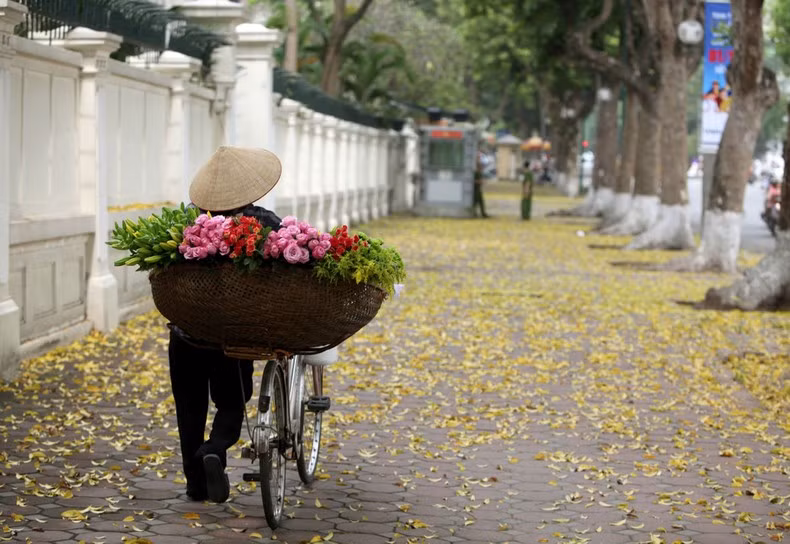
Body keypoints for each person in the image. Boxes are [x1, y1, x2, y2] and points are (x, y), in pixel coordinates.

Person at [169, 146, 282, 503]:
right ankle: (215, 449)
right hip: (231, 335)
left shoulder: (184, 225)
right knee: (233, 401)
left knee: (189, 409)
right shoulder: (263, 222)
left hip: (185, 331)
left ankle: (196, 485)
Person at [473, 145, 490, 218]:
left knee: (481, 201)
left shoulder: (478, 167)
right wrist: (480, 182)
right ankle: (475, 213)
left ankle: (483, 213)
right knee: (475, 202)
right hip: (475, 189)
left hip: (478, 188)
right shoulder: (475, 170)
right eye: (478, 157)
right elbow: (472, 181)